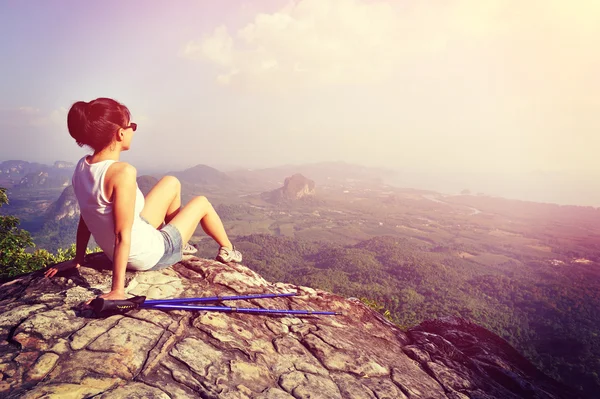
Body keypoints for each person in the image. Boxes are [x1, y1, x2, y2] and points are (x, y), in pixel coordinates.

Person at [44, 97, 242, 301]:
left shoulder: (82, 167)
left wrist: (78, 259)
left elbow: (87, 215)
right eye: (132, 126)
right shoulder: (122, 172)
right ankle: (228, 250)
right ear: (121, 133)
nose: (132, 130)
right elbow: (122, 234)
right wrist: (117, 290)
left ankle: (180, 245)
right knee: (202, 202)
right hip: (147, 255)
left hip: (131, 245)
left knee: (171, 182)